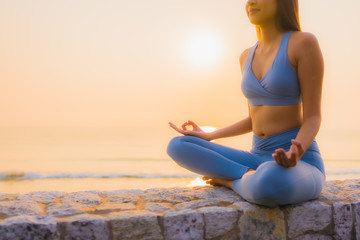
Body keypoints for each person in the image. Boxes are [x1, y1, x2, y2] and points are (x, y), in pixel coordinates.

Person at [166, 0, 325, 207]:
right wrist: (209, 135)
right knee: (178, 146)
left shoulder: (303, 43)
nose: (250, 2)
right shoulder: (245, 56)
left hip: (298, 162)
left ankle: (229, 181)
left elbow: (313, 117)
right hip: (255, 157)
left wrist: (298, 150)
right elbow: (254, 119)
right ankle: (246, 177)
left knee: (268, 182)